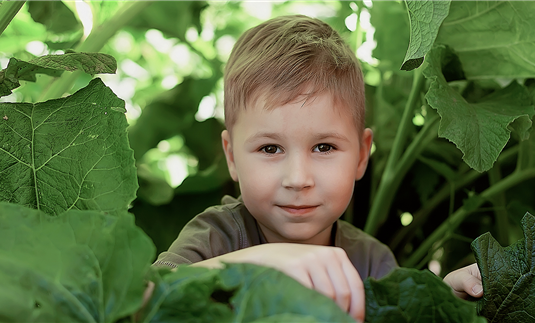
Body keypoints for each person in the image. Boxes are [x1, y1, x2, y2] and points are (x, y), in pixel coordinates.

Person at [153, 15, 482, 322]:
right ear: (231, 157)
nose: (298, 179)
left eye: (324, 147)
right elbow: (144, 298)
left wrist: (445, 299)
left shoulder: (372, 262)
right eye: (270, 148)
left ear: (361, 155)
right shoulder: (217, 237)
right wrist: (260, 262)